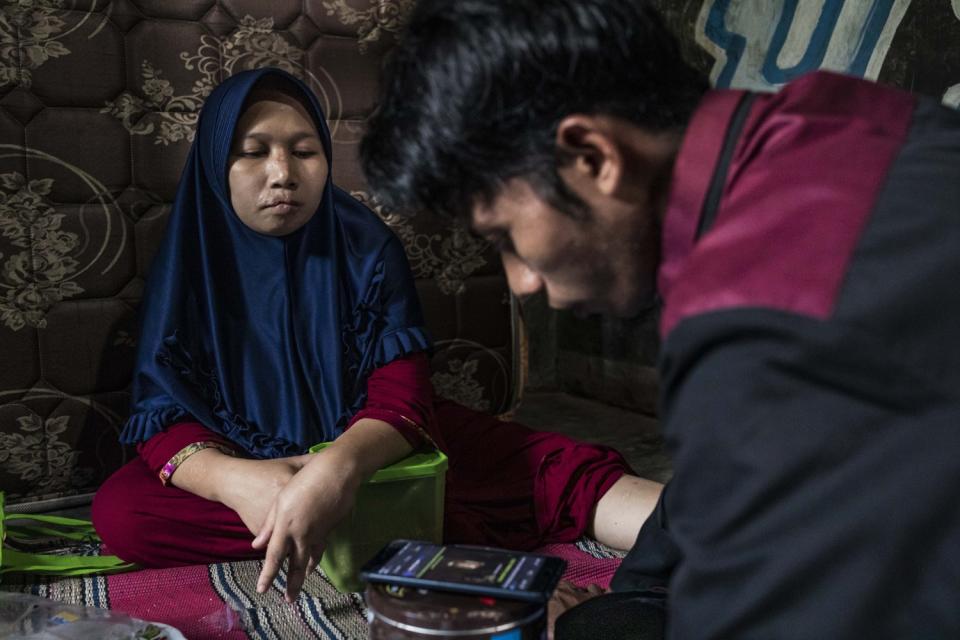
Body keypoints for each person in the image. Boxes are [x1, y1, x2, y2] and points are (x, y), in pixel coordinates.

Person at [359, 0, 960, 638]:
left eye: (506, 236)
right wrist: (623, 602)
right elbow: (715, 498)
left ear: (592, 157)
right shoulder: (822, 118)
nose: (524, 283)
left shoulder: (753, 321)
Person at [91, 67, 664, 605]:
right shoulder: (188, 263)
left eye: (305, 151)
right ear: (217, 163)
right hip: (255, 463)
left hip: (376, 452)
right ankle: (374, 521)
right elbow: (161, 413)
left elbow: (403, 398)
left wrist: (337, 471)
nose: (283, 173)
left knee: (549, 470)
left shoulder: (368, 249)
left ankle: (728, 535)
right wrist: (239, 482)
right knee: (124, 513)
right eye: (254, 152)